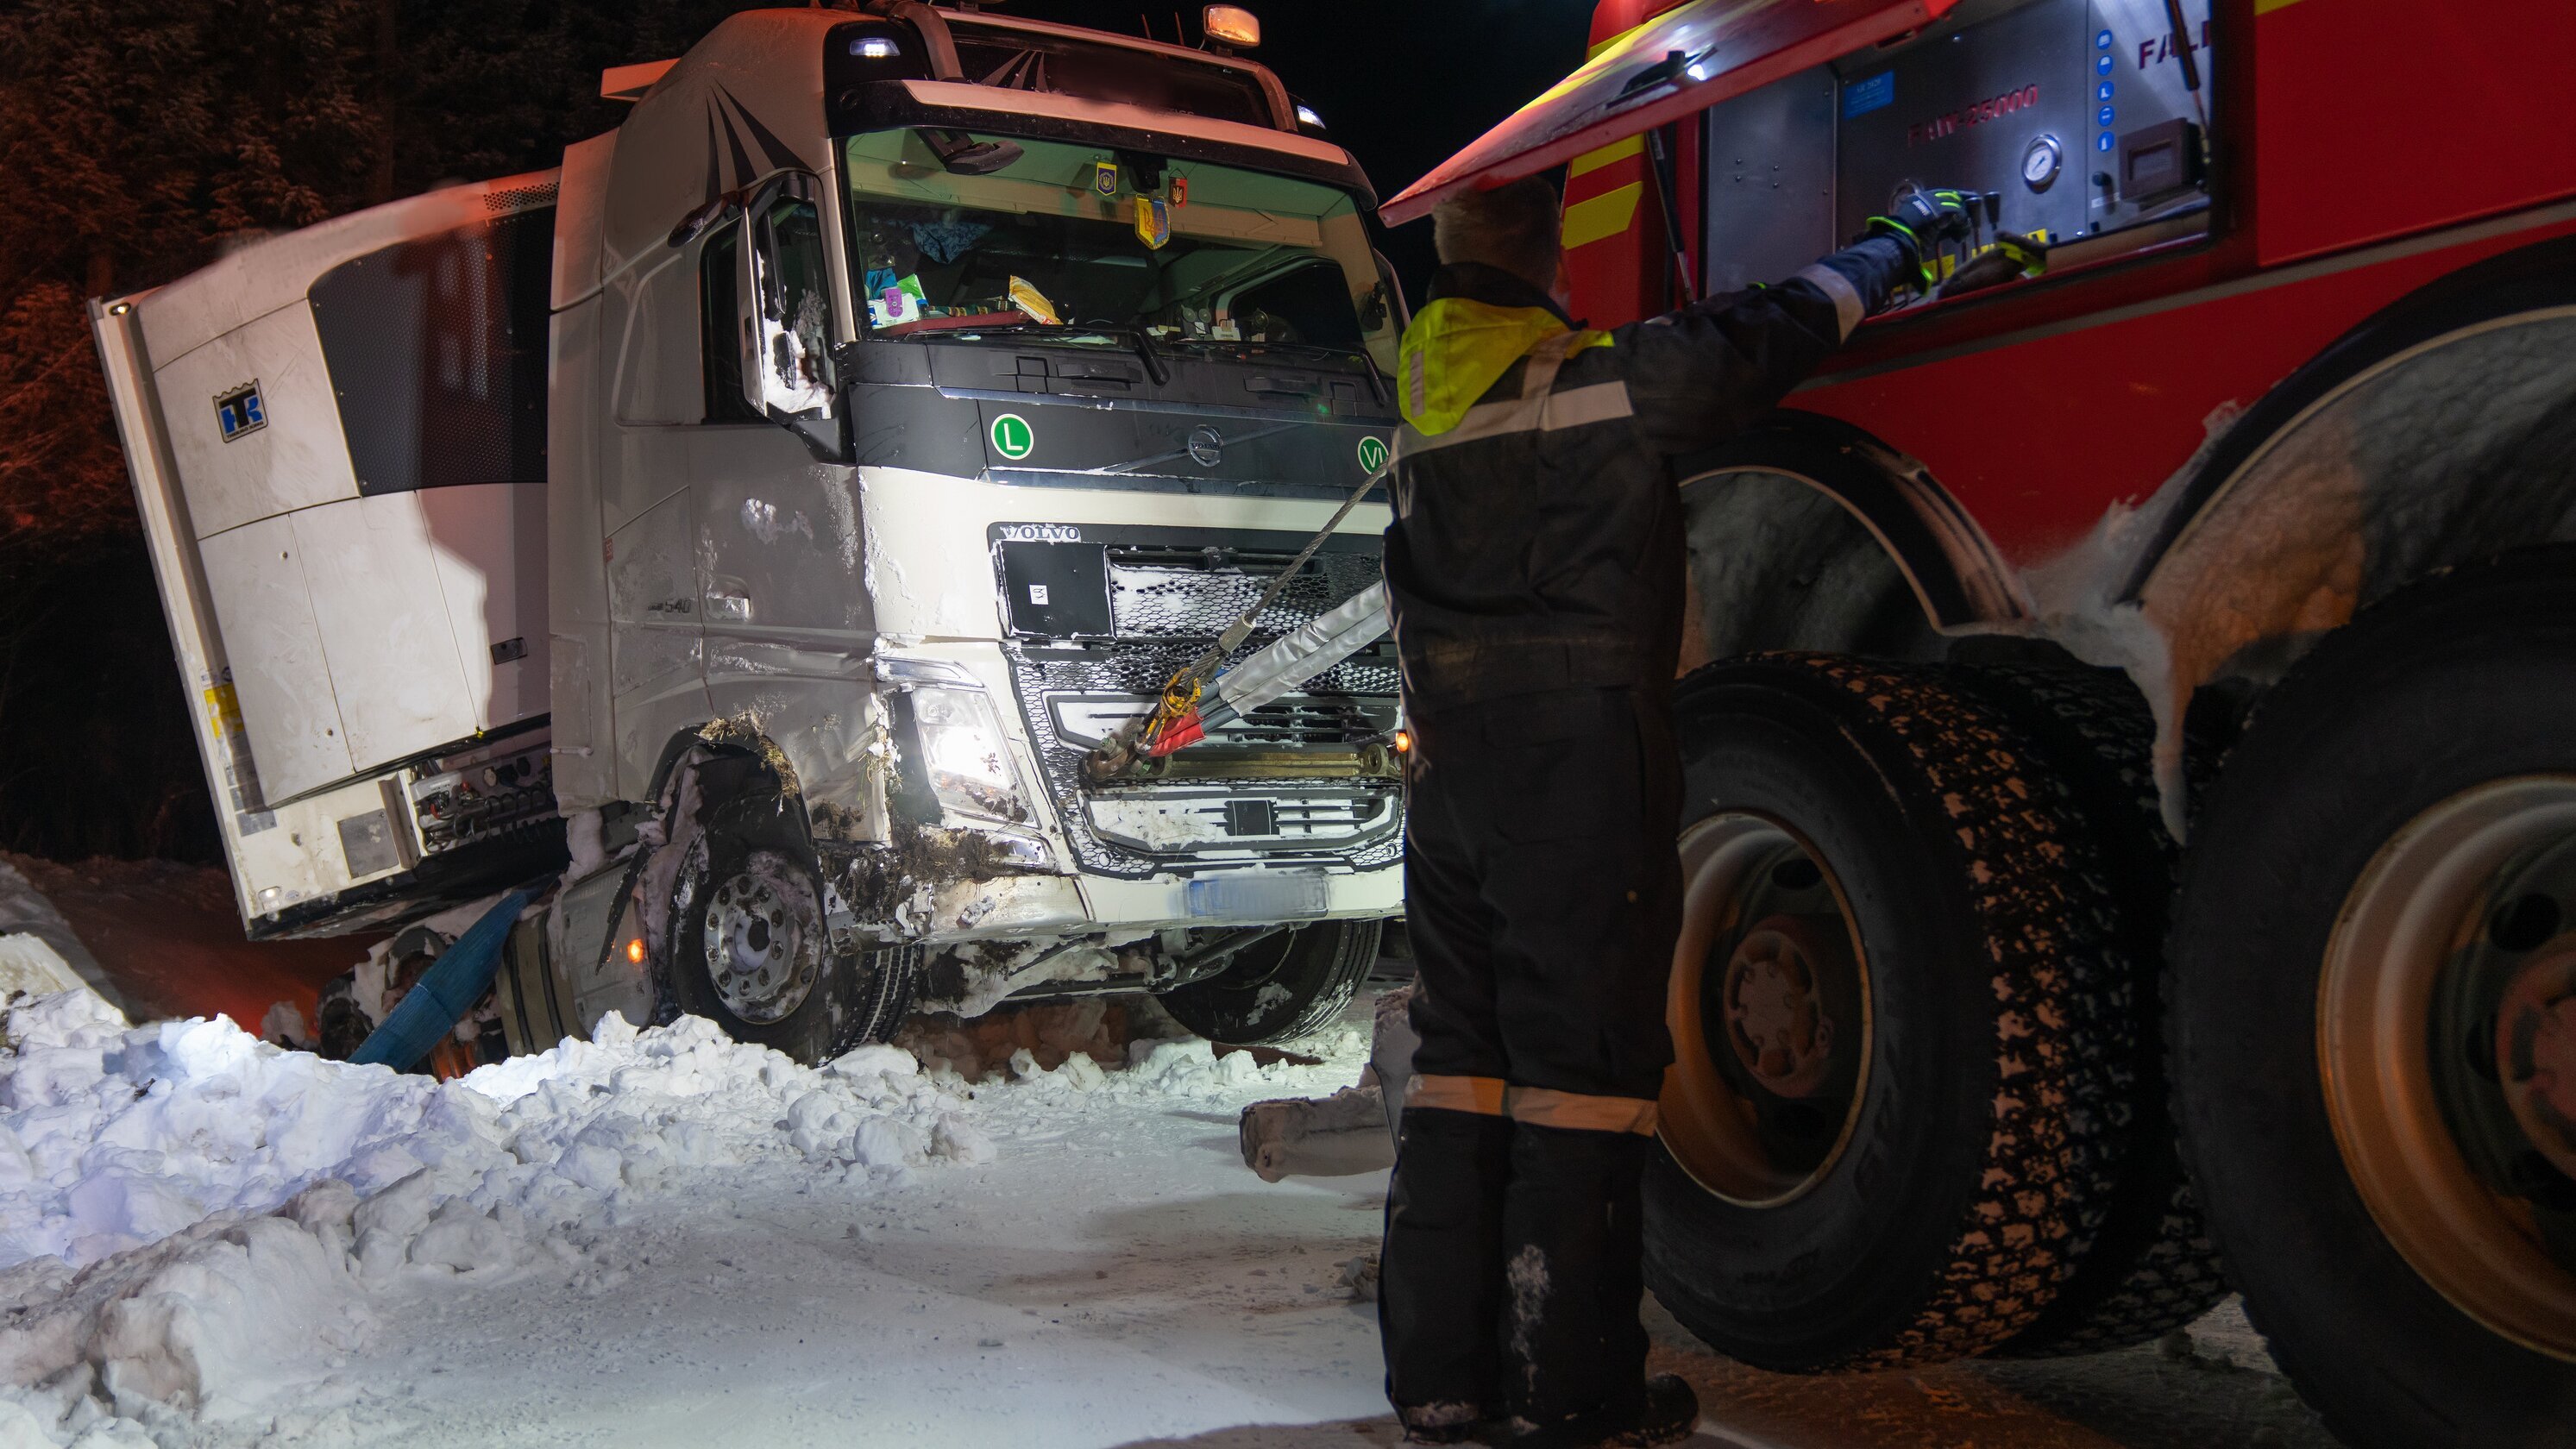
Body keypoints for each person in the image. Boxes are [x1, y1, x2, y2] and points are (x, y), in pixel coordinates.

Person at [1376, 174, 1971, 1448]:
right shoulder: (1584, 377)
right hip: (1573, 762)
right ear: (1544, 262)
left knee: (1462, 1067)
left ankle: (1441, 1377)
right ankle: (1571, 1392)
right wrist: (1895, 246)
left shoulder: (1423, 392)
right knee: (1583, 1074)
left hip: (1451, 774)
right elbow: (1750, 344)